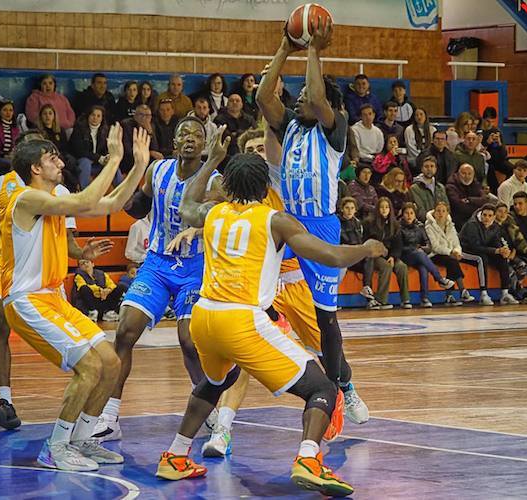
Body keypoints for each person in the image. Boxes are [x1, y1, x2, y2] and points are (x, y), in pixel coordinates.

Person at [156, 148, 385, 497]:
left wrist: (212, 161)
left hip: (204, 317)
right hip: (241, 320)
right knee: (323, 388)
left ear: (228, 185)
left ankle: (174, 455)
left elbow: (187, 201)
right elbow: (331, 255)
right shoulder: (275, 219)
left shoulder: (212, 212)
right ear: (266, 187)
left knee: (219, 380)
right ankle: (309, 459)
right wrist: (366, 249)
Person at [0, 124, 150, 471]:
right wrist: (113, 159)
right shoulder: (26, 197)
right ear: (35, 168)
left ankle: (81, 440)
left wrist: (138, 166)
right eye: (51, 158)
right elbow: (86, 201)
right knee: (90, 367)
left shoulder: (53, 196)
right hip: (27, 300)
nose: (60, 162)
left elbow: (106, 204)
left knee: (110, 363)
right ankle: (55, 446)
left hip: (53, 298)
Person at [0, 132, 113, 429]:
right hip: (8, 267)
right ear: (31, 162)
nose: (51, 157)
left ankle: (83, 405)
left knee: (87, 357)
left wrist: (82, 253)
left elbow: (67, 239)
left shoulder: (60, 191)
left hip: (45, 275)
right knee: (1, 322)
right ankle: (6, 398)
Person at [256, 19, 370, 428]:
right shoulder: (289, 125)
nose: (300, 98)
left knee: (326, 319)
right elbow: (262, 95)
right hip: (286, 223)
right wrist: (287, 47)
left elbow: (319, 95)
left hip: (320, 224)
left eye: (305, 95)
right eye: (300, 95)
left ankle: (343, 386)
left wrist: (314, 50)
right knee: (251, 301)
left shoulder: (334, 128)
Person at [92, 118, 227, 442]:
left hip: (195, 266)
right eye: (184, 133)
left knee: (189, 342)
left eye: (197, 134)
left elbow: (217, 221)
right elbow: (139, 207)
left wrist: (195, 229)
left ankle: (206, 405)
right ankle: (110, 417)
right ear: (175, 142)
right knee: (124, 331)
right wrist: (125, 179)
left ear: (206, 143)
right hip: (157, 263)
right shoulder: (158, 170)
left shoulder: (216, 180)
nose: (190, 138)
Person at [458, 204, 518, 306]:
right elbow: (474, 246)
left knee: (501, 258)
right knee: (481, 258)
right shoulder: (472, 225)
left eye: (490, 216)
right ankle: (483, 294)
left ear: (494, 217)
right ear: (481, 215)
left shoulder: (495, 227)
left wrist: (503, 250)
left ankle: (505, 293)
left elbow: (496, 242)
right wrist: (496, 250)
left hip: (483, 250)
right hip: (465, 251)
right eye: (484, 215)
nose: (486, 218)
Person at [399, 202, 455, 308]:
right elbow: (398, 247)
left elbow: (428, 245)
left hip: (418, 255)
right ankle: (440, 279)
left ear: (415, 214)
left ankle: (424, 298)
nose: (409, 215)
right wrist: (415, 249)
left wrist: (421, 249)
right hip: (404, 255)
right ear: (403, 214)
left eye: (411, 213)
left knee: (423, 267)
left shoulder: (420, 226)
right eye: (407, 213)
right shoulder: (398, 227)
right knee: (419, 254)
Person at [363, 197, 411, 308]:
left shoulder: (395, 224)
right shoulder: (369, 223)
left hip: (389, 254)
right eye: (382, 207)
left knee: (402, 267)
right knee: (386, 267)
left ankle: (405, 299)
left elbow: (398, 245)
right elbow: (366, 242)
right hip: (374, 255)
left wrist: (393, 256)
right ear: (377, 209)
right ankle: (381, 300)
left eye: (387, 207)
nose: (384, 209)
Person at [425, 201, 474, 305]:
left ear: (447, 213)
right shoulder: (429, 226)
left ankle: (450, 295)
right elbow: (435, 247)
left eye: (443, 211)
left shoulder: (451, 226)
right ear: (434, 212)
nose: (441, 213)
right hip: (435, 255)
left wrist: (457, 252)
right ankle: (462, 290)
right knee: (451, 260)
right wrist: (450, 252)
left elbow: (456, 243)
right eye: (438, 211)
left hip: (450, 255)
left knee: (452, 261)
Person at [338, 197, 381, 309]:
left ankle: (367, 290)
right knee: (365, 255)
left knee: (369, 256)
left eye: (352, 208)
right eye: (347, 208)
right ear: (342, 209)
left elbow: (360, 240)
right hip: (343, 256)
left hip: (356, 256)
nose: (349, 211)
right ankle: (368, 294)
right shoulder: (337, 222)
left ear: (355, 210)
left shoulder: (357, 223)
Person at [69, 105, 122, 189]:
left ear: (102, 118)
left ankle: (120, 192)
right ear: (88, 116)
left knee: (113, 163)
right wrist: (98, 158)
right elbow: (79, 151)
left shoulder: (105, 130)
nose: (95, 118)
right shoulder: (79, 129)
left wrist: (107, 156)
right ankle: (83, 192)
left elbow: (106, 149)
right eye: (93, 115)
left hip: (98, 164)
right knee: (85, 162)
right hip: (81, 162)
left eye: (98, 116)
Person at [38, 104, 79, 191]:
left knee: (72, 163)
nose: (47, 116)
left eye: (50, 113)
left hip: (61, 157)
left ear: (54, 116)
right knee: (67, 173)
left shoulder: (60, 130)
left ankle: (76, 189)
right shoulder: (38, 132)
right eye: (45, 114)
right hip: (47, 159)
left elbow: (65, 148)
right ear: (41, 116)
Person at [446, 163, 491, 231]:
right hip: (459, 220)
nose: (467, 176)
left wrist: (470, 200)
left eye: (469, 174)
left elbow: (485, 200)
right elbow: (458, 206)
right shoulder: (451, 186)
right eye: (463, 173)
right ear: (458, 174)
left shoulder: (475, 183)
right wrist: (477, 207)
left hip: (476, 217)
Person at [213, 94, 255, 159]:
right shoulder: (219, 119)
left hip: (248, 152)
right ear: (227, 104)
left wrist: (235, 133)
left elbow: (254, 135)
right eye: (231, 101)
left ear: (242, 104)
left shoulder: (249, 119)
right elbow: (227, 138)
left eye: (237, 101)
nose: (234, 102)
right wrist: (246, 133)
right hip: (228, 154)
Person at [409, 155, 449, 222]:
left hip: (442, 223)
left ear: (436, 169)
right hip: (426, 224)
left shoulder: (440, 187)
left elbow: (447, 207)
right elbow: (420, 212)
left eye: (432, 166)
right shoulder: (415, 188)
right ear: (421, 169)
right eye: (426, 166)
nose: (429, 169)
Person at [481, 128, 514, 193]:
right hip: (490, 162)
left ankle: (509, 187)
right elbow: (484, 151)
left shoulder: (500, 143)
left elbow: (503, 156)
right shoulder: (486, 141)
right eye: (493, 136)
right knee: (491, 169)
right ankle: (495, 191)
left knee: (513, 169)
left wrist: (499, 143)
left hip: (500, 162)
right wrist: (488, 142)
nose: (494, 138)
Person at [404, 107, 435, 171]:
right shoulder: (409, 130)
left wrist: (428, 159)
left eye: (421, 114)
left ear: (425, 116)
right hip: (414, 160)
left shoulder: (432, 129)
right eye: (416, 115)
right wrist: (422, 158)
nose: (419, 117)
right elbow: (410, 147)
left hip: (430, 159)